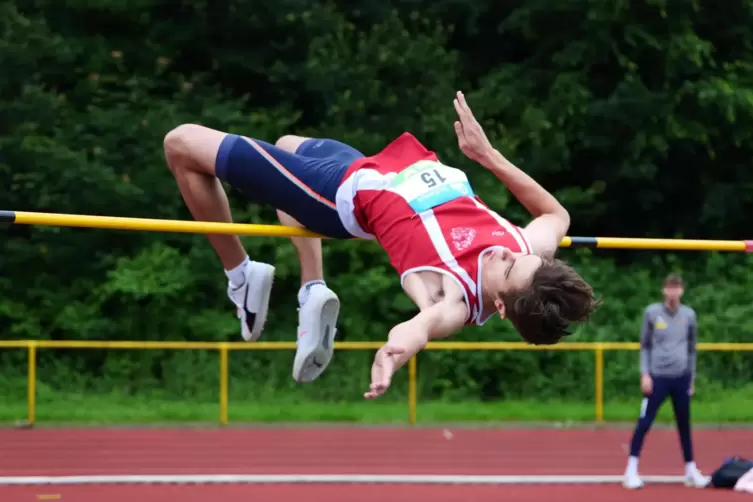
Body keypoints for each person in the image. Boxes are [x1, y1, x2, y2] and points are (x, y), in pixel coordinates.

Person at [162, 90, 598, 394]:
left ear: (499, 306)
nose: (504, 251)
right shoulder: (524, 251)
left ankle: (240, 274)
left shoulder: (455, 297)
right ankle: (312, 288)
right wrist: (487, 156)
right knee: (287, 144)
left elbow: (421, 328)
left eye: (505, 267)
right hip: (374, 167)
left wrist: (392, 354)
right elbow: (556, 216)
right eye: (519, 256)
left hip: (336, 194)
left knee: (180, 144)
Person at [623, 274, 709, 489]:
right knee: (645, 422)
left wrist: (692, 377)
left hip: (681, 377)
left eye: (676, 288)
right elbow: (645, 345)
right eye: (670, 288)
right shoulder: (652, 313)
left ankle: (690, 469)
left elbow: (692, 348)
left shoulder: (689, 315)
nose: (673, 292)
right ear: (664, 290)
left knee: (684, 425)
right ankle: (631, 470)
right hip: (657, 377)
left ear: (682, 290)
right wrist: (645, 374)